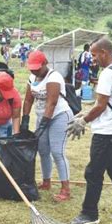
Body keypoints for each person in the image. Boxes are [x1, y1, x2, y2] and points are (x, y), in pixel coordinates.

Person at [66, 38, 112, 224]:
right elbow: (108, 103)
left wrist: (83, 120)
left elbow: (101, 105)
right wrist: (86, 112)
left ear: (104, 52)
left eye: (95, 55)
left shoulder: (107, 74)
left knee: (93, 173)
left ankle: (89, 214)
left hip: (107, 135)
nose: (93, 59)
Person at [21, 50, 73, 201]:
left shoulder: (54, 77)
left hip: (59, 116)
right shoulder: (32, 78)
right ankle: (46, 182)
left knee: (57, 152)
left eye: (37, 67)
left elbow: (52, 102)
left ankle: (65, 189)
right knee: (43, 151)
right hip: (42, 117)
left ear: (45, 64)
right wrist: (25, 118)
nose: (34, 70)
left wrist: (43, 124)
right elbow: (28, 100)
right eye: (31, 67)